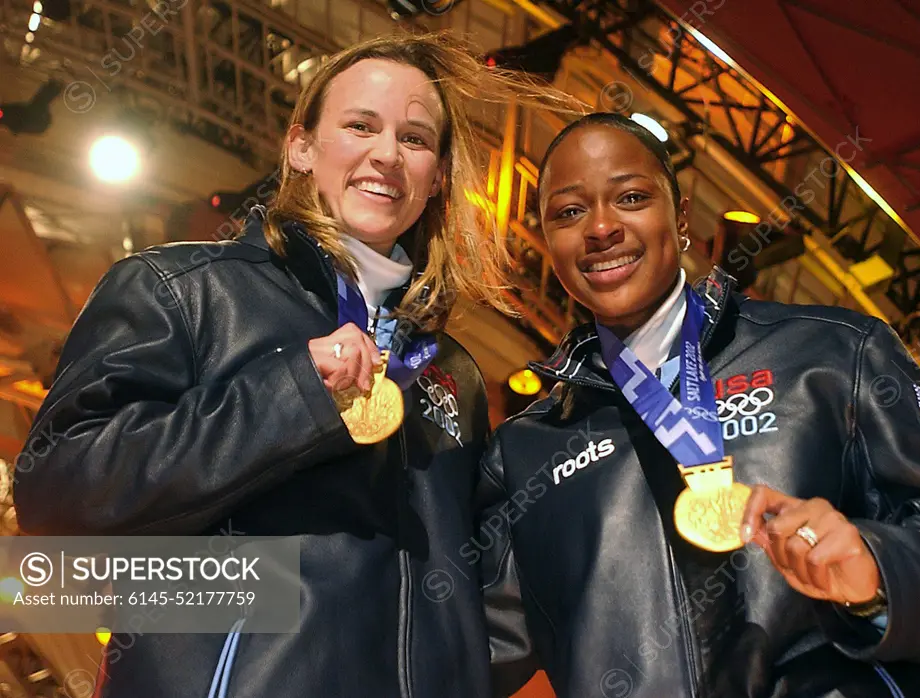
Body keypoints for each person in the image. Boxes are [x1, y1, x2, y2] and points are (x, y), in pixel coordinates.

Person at [14, 33, 578, 698]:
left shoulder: (448, 370)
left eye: (416, 139)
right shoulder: (184, 289)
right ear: (300, 146)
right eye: (360, 125)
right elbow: (57, 501)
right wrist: (294, 397)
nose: (387, 154)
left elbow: (474, 594)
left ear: (436, 179)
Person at [478, 112, 920, 698]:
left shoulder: (833, 352)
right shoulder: (527, 448)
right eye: (569, 212)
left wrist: (877, 575)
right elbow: (455, 651)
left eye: (631, 197)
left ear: (681, 218)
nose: (601, 227)